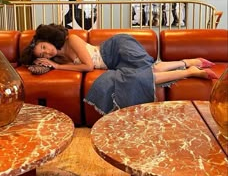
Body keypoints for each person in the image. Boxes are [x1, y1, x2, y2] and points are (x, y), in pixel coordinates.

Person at [20, 24, 218, 115]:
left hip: (117, 47)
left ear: (48, 39)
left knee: (145, 73)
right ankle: (189, 64)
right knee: (147, 72)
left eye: (44, 47)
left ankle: (191, 70)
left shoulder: (70, 38)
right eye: (43, 55)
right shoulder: (59, 56)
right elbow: (46, 66)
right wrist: (47, 64)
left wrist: (57, 66)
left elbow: (88, 66)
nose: (47, 53)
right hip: (115, 63)